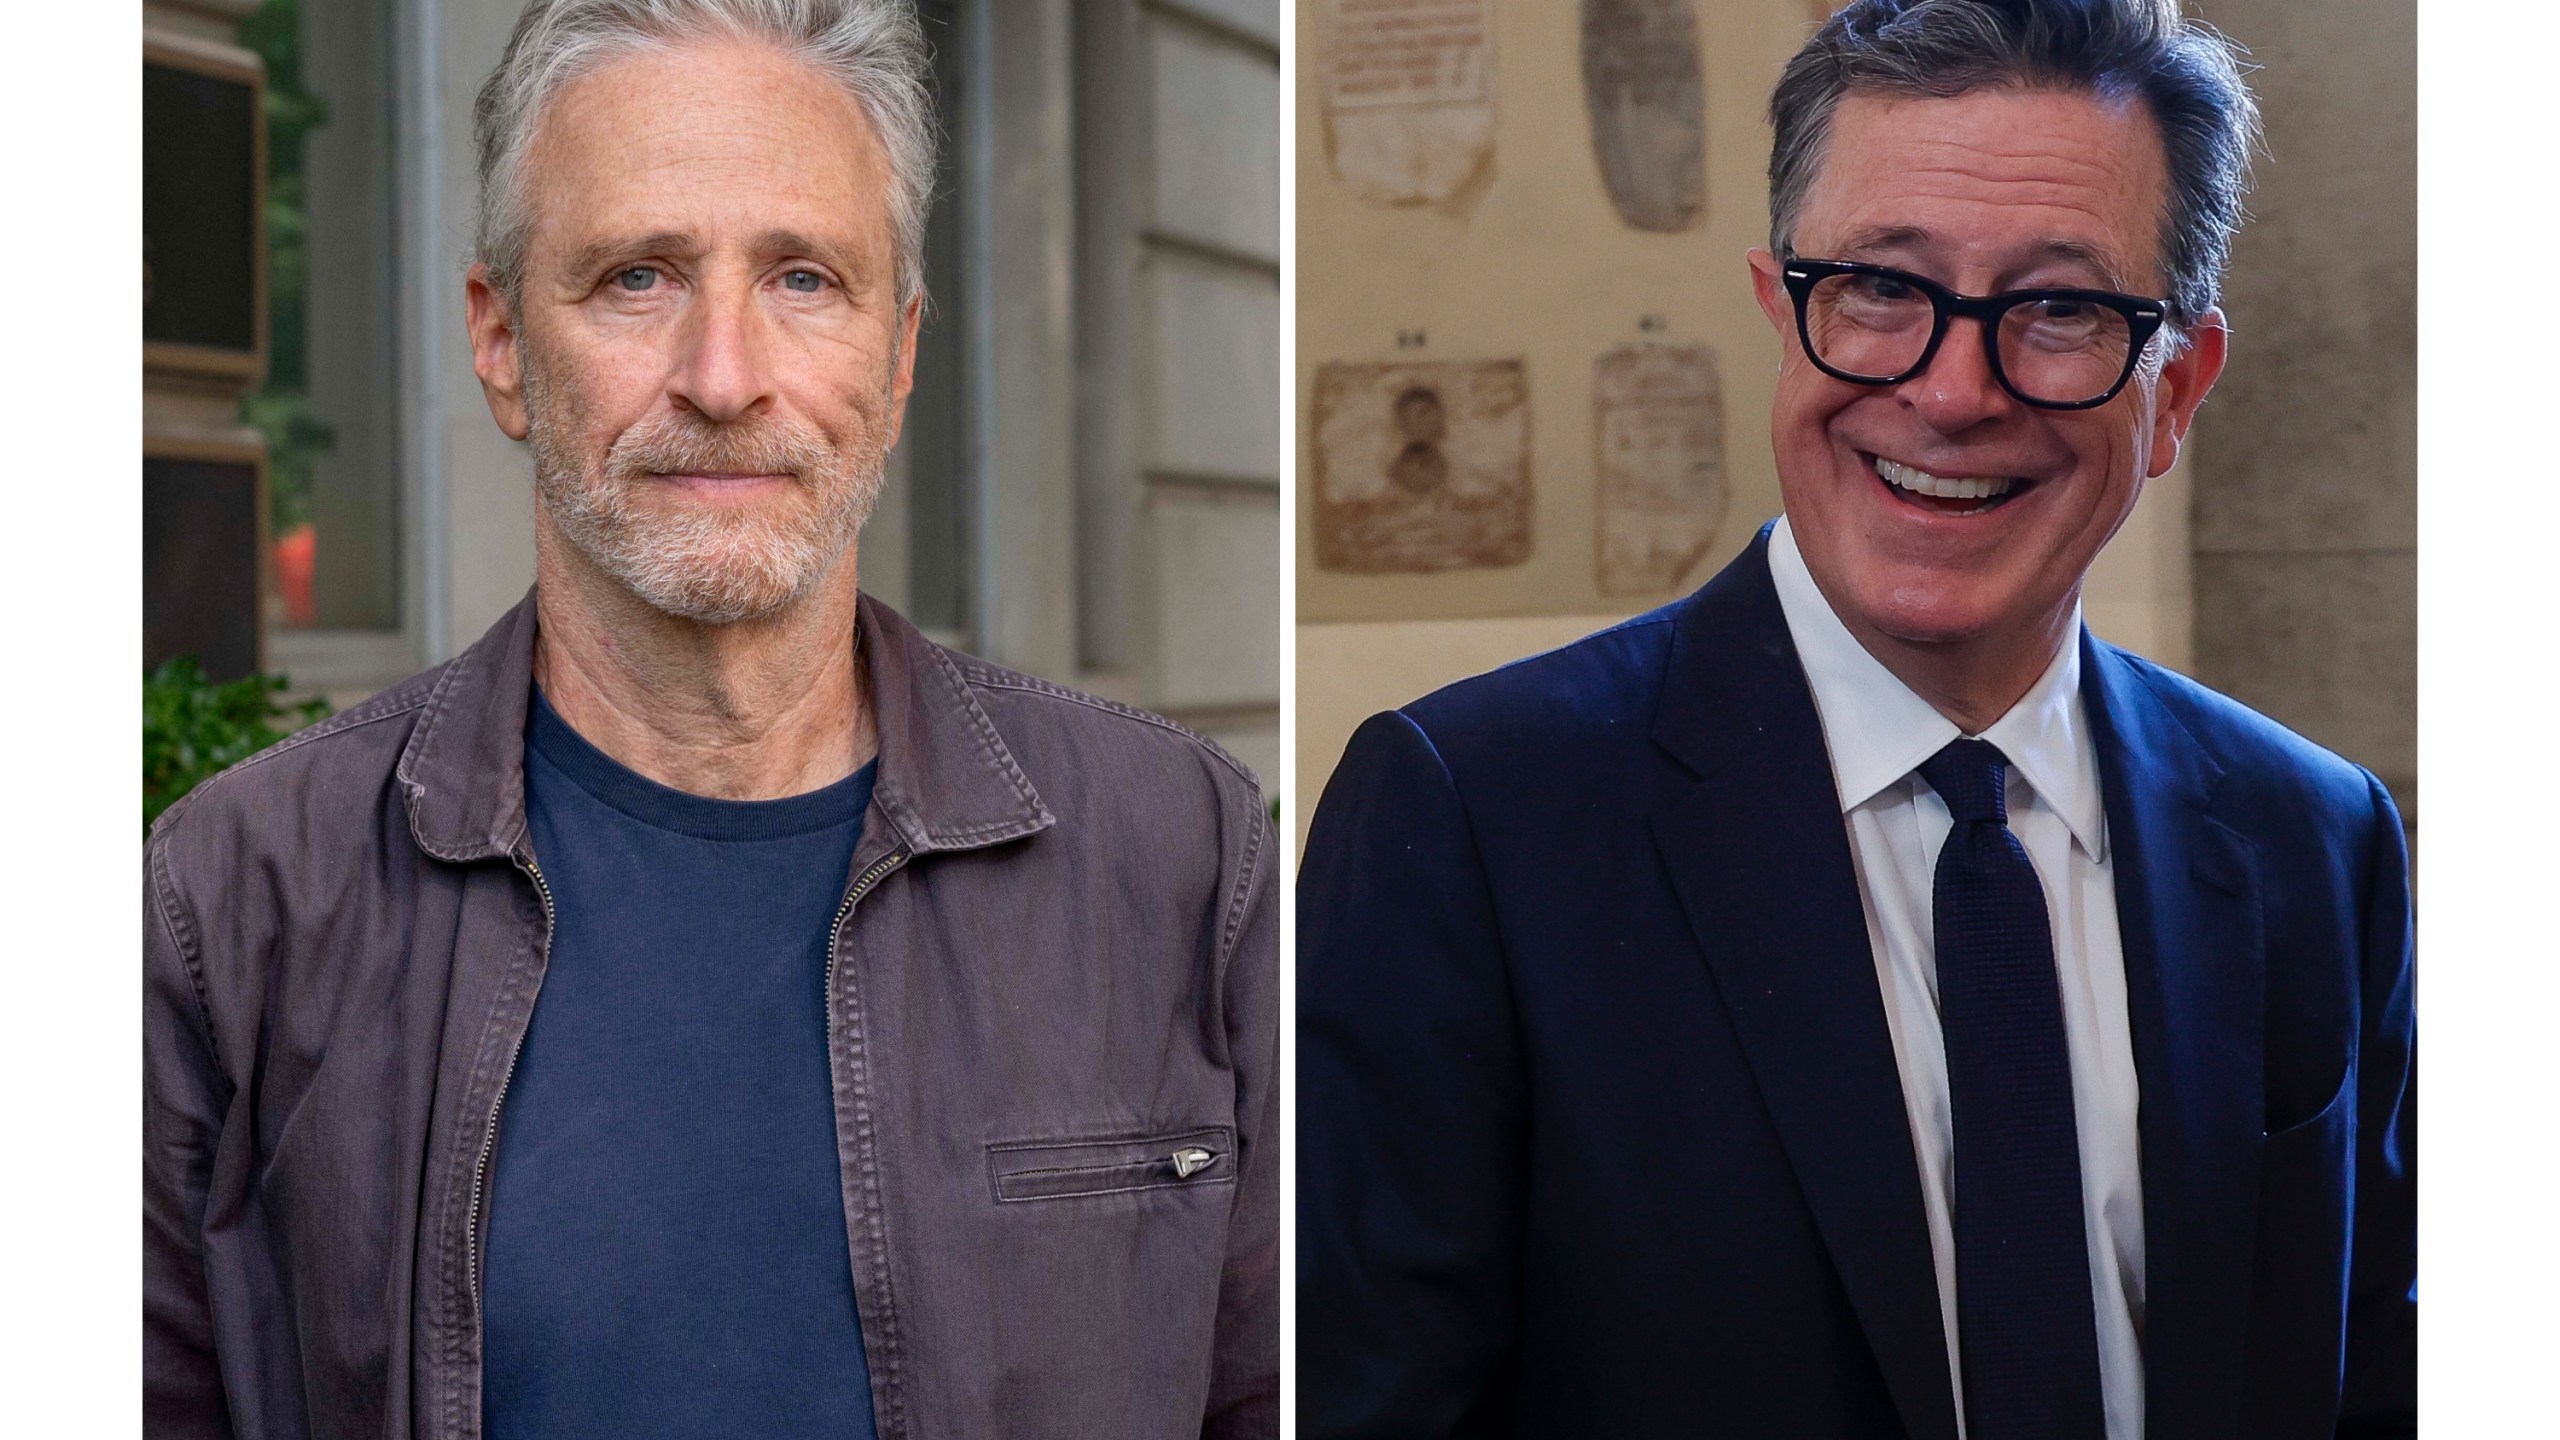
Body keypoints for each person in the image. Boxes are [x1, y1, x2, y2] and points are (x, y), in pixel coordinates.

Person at [141, 3, 1277, 1437]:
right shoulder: (241, 898)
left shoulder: (1179, 859)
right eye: (636, 277)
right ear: (499, 341)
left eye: (805, 278)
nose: (725, 375)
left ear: (901, 349)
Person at [1297, 1, 2413, 1436]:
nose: (1952, 390)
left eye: (2061, 309)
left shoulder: (2314, 840)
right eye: (1882, 290)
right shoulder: (1471, 821)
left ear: (2177, 386)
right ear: (1783, 307)